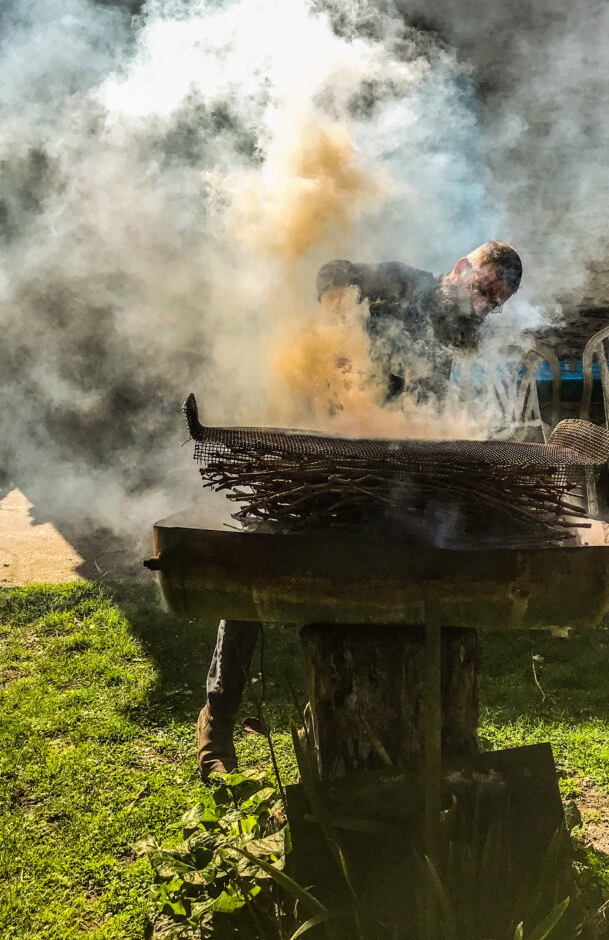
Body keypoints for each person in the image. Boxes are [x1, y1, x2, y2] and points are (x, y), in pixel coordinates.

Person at [196, 240, 522, 779]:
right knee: (259, 558)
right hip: (328, 439)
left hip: (390, 466)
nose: (484, 306)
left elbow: (435, 392)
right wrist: (338, 333)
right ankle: (219, 716)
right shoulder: (402, 281)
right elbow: (333, 269)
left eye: (496, 302)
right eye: (482, 289)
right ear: (462, 267)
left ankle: (410, 726)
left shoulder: (462, 327)